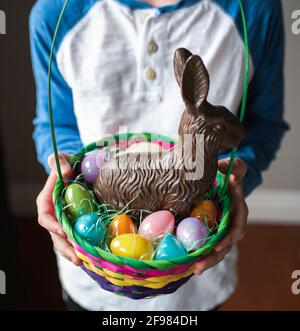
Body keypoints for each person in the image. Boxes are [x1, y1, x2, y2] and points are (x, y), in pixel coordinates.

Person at [30, 0, 288, 311]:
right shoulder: (56, 13)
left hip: (197, 279)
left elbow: (263, 124)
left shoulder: (253, 10)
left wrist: (235, 179)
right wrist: (64, 169)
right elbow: (57, 124)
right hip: (93, 276)